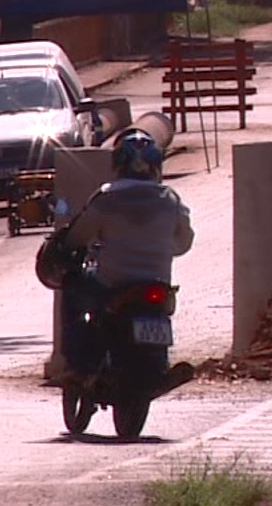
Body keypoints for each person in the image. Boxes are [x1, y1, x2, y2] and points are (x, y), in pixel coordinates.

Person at [57, 129, 195, 387]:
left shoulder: (107, 197)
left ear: (118, 165)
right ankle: (159, 363)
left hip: (112, 283)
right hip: (158, 283)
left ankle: (78, 366)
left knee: (74, 290)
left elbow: (78, 237)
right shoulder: (171, 200)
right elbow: (183, 244)